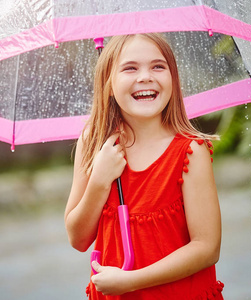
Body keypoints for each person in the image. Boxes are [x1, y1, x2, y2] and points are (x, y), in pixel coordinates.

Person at [64, 33, 224, 299]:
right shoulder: (93, 143)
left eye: (158, 66)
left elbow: (207, 248)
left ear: (173, 77)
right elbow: (78, 239)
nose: (145, 77)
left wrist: (131, 281)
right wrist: (99, 180)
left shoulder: (190, 152)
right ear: (109, 85)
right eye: (130, 68)